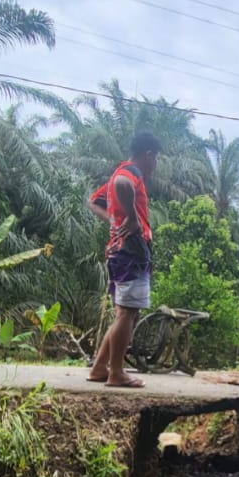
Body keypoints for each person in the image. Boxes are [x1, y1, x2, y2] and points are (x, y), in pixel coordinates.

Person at [86, 131, 162, 388]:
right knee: (128, 312)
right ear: (148, 155)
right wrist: (130, 217)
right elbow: (121, 184)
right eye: (156, 158)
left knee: (125, 312)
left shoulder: (121, 171)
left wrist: (113, 219)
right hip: (131, 251)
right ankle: (116, 372)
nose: (156, 164)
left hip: (120, 251)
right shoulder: (131, 171)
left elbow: (93, 202)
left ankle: (99, 368)